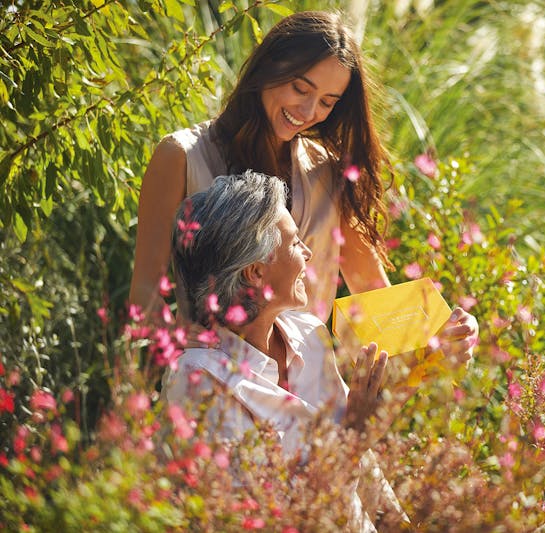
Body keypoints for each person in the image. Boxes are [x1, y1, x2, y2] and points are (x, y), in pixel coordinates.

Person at [129, 10, 478, 354]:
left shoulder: (329, 173)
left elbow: (374, 297)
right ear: (269, 67)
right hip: (214, 390)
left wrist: (445, 334)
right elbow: (144, 293)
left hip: (309, 394)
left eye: (327, 102)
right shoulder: (181, 156)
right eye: (300, 88)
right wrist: (181, 340)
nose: (309, 112)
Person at [163, 171, 467, 529]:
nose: (308, 253)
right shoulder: (200, 380)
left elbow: (364, 467)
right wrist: (355, 431)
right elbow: (268, 518)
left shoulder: (309, 333)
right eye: (294, 244)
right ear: (255, 272)